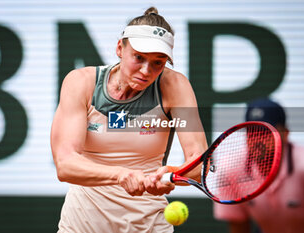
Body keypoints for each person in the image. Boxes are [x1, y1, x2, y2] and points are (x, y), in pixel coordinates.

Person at [50, 7, 207, 233]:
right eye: (139, 57)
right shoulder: (81, 82)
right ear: (119, 49)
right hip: (82, 224)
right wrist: (120, 174)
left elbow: (199, 161)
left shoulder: (175, 86)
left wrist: (172, 174)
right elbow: (65, 165)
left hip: (149, 225)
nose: (146, 70)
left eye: (158, 62)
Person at [213, 98, 304, 233]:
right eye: (252, 132)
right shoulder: (230, 169)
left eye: (265, 133)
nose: (257, 141)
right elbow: (239, 226)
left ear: (285, 134)